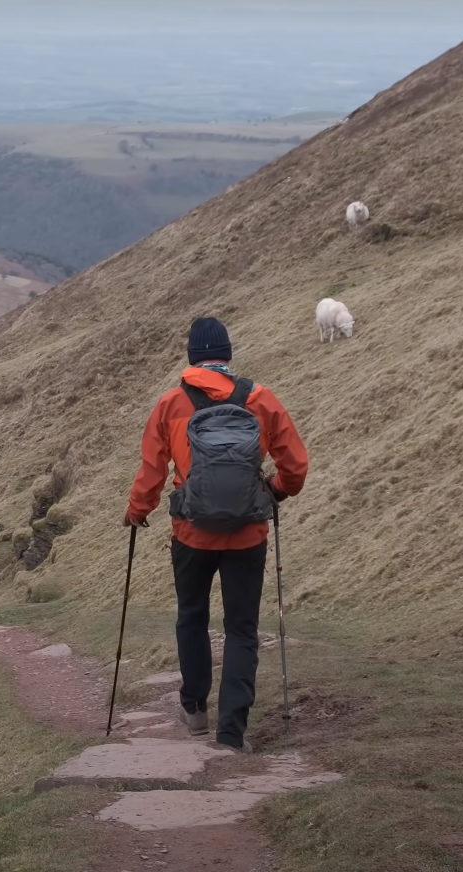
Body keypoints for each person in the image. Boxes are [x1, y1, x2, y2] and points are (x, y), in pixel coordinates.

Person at [124, 317, 308, 753]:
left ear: (191, 358)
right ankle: (232, 731)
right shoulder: (260, 400)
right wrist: (273, 492)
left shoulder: (171, 404)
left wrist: (136, 512)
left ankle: (195, 710)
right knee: (242, 628)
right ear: (227, 355)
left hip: (191, 534)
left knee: (192, 617)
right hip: (248, 535)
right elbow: (296, 468)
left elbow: (152, 473)